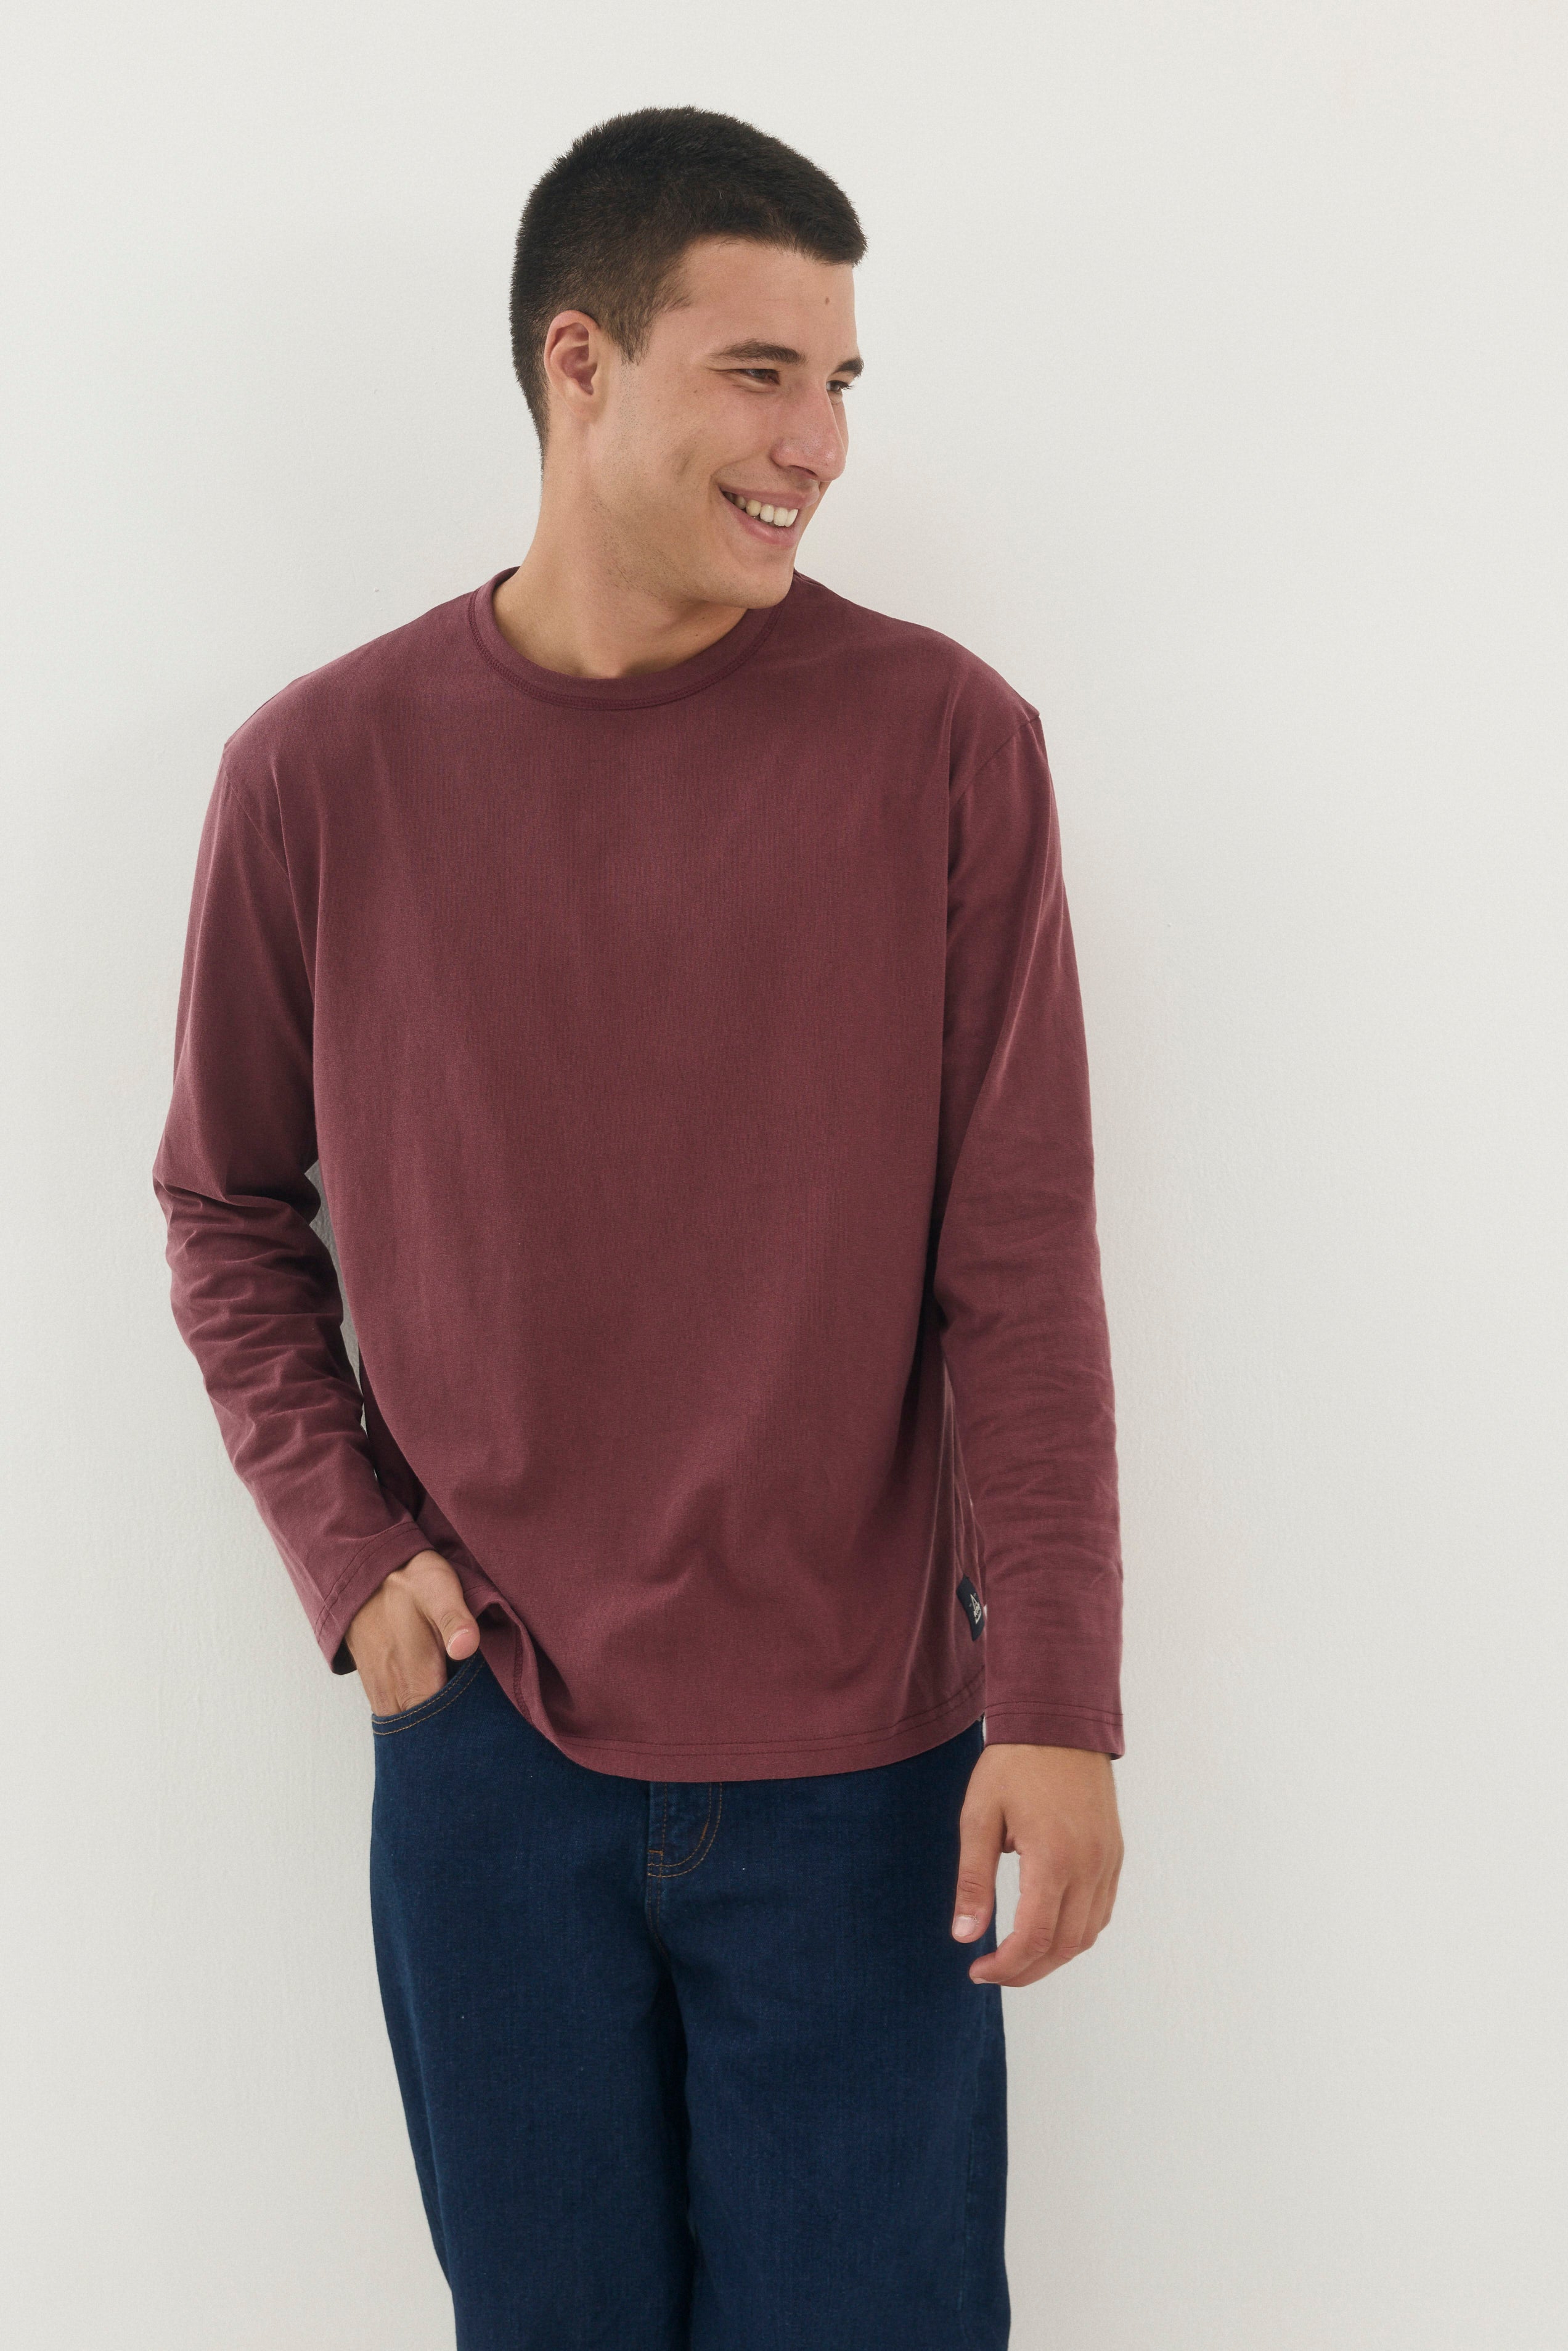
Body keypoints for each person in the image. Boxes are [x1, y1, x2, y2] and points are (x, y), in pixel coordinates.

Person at [152, 103, 1125, 2351]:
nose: (819, 444)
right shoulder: (319, 772)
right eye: (760, 374)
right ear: (577, 363)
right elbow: (224, 1202)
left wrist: (1061, 1698)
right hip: (492, 1760)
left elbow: (1019, 1263)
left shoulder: (945, 745)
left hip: (866, 1775)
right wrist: (351, 1558)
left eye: (842, 383)